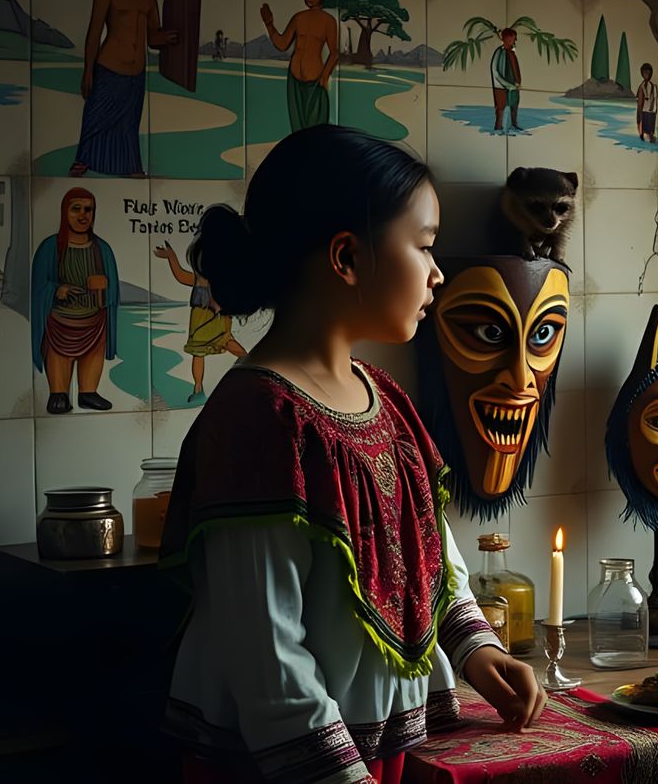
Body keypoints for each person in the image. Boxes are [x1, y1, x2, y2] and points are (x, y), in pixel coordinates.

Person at [160, 126, 544, 783]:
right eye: (423, 246)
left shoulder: (383, 400)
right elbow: (268, 656)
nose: (437, 271)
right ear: (346, 257)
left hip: (375, 754)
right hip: (287, 766)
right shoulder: (261, 420)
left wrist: (477, 650)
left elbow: (425, 554)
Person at [71, 0, 179, 177]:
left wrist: (168, 38)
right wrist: (88, 71)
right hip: (109, 67)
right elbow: (94, 33)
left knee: (128, 126)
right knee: (96, 119)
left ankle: (131, 168)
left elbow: (152, 38)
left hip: (136, 73)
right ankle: (83, 160)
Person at [30, 187, 120, 414]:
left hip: (94, 319)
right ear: (65, 212)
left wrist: (104, 288)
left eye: (88, 210)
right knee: (59, 355)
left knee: (93, 354)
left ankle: (88, 392)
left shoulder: (103, 249)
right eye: (76, 209)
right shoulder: (50, 248)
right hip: (61, 321)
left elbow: (113, 289)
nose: (83, 215)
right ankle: (58, 393)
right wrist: (56, 289)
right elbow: (38, 285)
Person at [153, 238, 247, 402]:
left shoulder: (226, 279)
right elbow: (181, 276)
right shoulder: (200, 278)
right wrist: (171, 257)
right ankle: (198, 389)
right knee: (200, 352)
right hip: (200, 321)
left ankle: (251, 364)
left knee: (226, 341)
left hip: (217, 320)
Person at [261, 0, 339, 132]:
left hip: (315, 83)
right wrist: (269, 24)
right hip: (294, 79)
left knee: (316, 132)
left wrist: (325, 76)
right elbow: (282, 44)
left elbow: (334, 53)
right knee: (297, 132)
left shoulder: (328, 21)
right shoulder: (298, 18)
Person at [490, 28, 522, 131]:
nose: (514, 41)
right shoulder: (499, 52)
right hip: (501, 87)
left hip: (513, 86)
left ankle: (514, 124)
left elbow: (516, 69)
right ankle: (498, 128)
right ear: (506, 39)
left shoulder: (512, 53)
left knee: (514, 105)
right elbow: (495, 71)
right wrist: (506, 84)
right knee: (500, 109)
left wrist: (517, 83)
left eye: (514, 39)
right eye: (512, 39)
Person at [635, 62, 658, 143]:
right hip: (645, 109)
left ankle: (650, 136)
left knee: (650, 124)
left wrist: (654, 108)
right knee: (645, 124)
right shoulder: (642, 86)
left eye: (648, 72)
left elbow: (653, 98)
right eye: (645, 72)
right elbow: (640, 98)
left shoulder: (652, 86)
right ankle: (645, 136)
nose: (646, 74)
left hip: (650, 110)